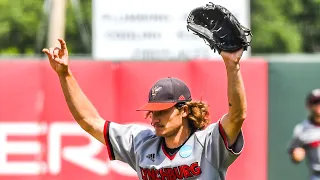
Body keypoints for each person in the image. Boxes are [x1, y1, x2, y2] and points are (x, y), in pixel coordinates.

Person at [42, 38, 246, 180]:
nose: (155, 118)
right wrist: (64, 74)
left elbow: (237, 115)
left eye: (163, 111)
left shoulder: (209, 144)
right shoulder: (141, 143)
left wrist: (232, 66)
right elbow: (90, 122)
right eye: (153, 112)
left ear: (184, 110)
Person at [288, 88, 320, 180]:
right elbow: (295, 152)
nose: (318, 105)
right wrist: (296, 154)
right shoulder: (302, 128)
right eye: (315, 102)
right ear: (308, 105)